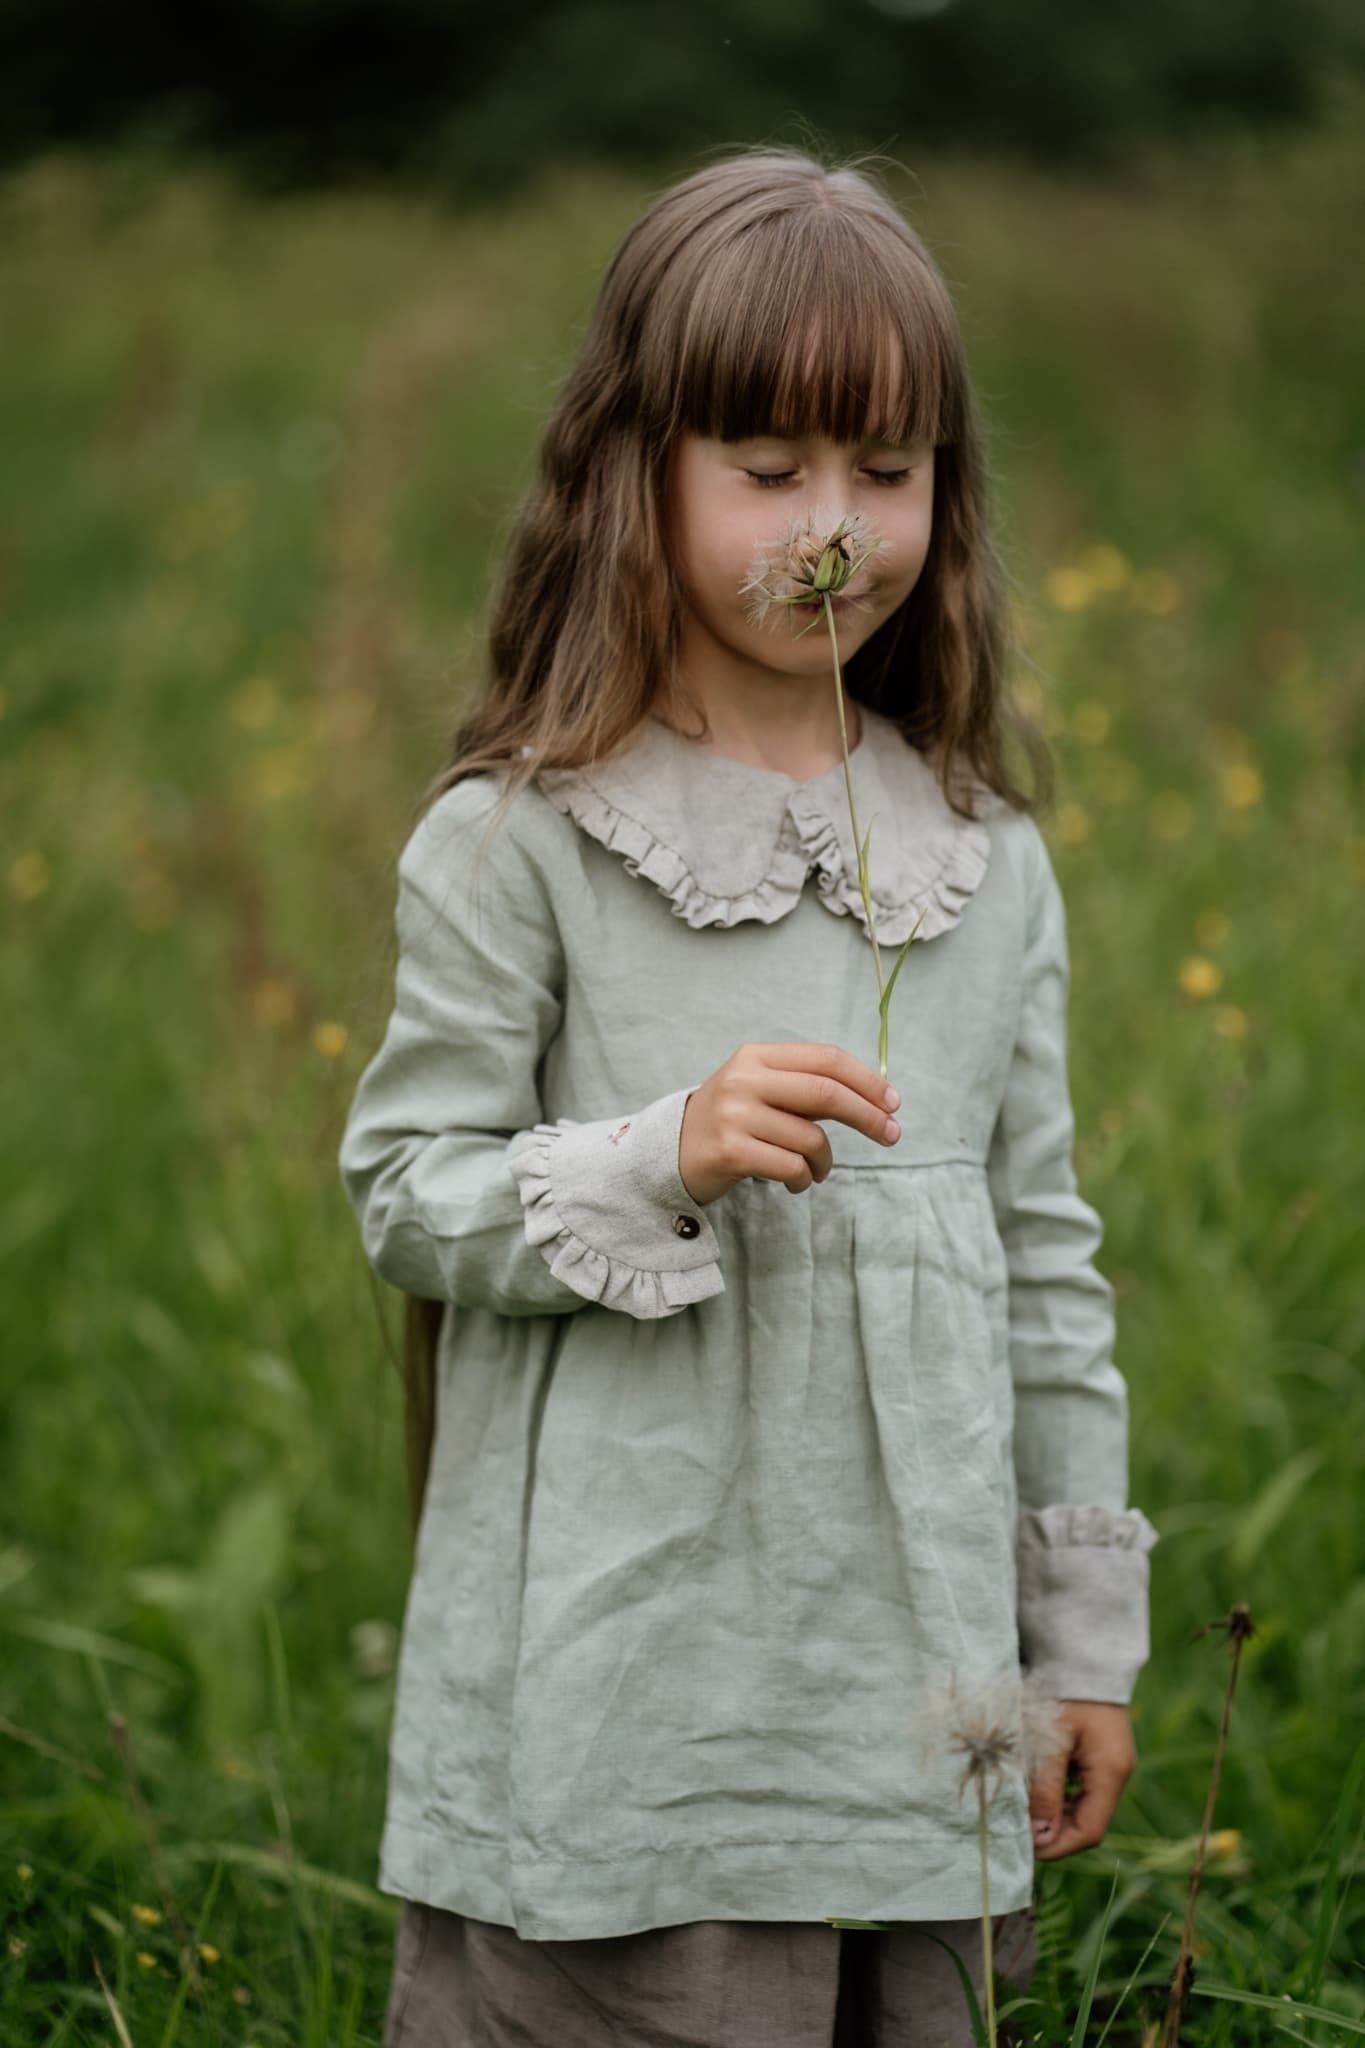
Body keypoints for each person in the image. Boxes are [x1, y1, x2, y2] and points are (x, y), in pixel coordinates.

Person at [337, 144, 1160, 2048]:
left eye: (885, 470)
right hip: (638, 1696)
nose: (834, 526)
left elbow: (1043, 1261)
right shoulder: (521, 838)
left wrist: (1082, 1651)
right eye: (768, 469)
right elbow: (402, 1189)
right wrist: (660, 1149)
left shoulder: (981, 855)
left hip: (908, 1700)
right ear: (639, 471)